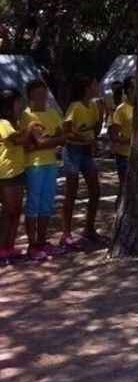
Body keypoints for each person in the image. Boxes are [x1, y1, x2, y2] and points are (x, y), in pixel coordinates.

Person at [21, 80, 65, 260]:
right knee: (33, 204)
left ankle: (42, 241)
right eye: (38, 92)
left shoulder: (53, 113)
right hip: (34, 165)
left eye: (44, 92)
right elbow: (34, 143)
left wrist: (46, 141)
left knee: (46, 204)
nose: (42, 95)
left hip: (51, 163)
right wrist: (49, 140)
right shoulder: (26, 116)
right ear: (30, 95)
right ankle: (32, 245)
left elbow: (62, 137)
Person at [60, 74, 104, 247]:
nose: (97, 87)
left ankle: (89, 229)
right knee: (72, 191)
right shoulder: (75, 106)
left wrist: (101, 114)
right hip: (73, 151)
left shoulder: (93, 106)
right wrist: (83, 138)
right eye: (94, 84)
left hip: (87, 152)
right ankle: (66, 233)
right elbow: (66, 132)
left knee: (95, 190)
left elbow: (96, 131)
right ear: (87, 88)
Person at [0, 88, 28, 264]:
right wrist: (31, 129)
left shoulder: (15, 122)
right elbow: (17, 139)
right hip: (5, 173)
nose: (21, 105)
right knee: (9, 210)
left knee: (17, 209)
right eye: (18, 102)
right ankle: (2, 246)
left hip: (17, 170)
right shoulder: (3, 123)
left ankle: (9, 245)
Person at [107, 77, 135, 204]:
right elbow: (113, 135)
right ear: (129, 90)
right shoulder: (122, 109)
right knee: (125, 188)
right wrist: (130, 140)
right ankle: (119, 214)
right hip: (125, 155)